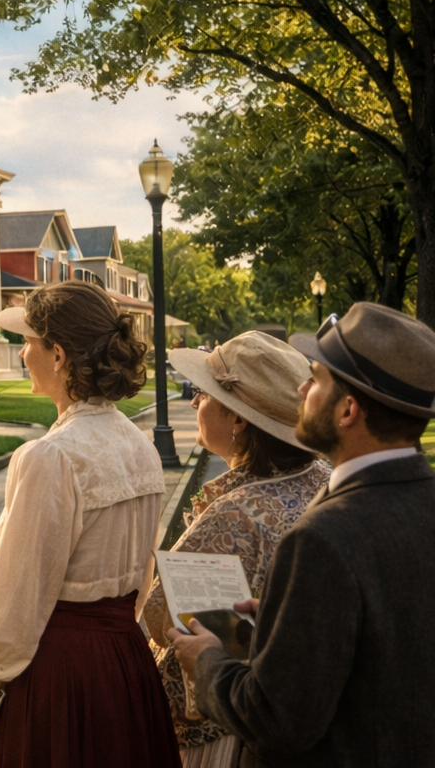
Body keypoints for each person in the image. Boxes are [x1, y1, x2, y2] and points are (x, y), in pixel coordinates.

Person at [0, 280, 180, 768]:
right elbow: (142, 582)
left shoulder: (51, 458)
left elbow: (17, 601)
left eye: (28, 343)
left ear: (58, 355)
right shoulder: (140, 447)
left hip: (58, 672)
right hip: (124, 665)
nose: (22, 355)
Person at [170, 303, 435, 767]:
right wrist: (278, 620)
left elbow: (277, 719)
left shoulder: (321, 540)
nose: (301, 389)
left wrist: (209, 661)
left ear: (348, 409)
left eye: (315, 379)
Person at [146, 333, 329, 767]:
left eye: (202, 394)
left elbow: (160, 618)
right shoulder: (325, 477)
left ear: (239, 420)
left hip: (222, 728)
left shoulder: (235, 513)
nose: (193, 404)